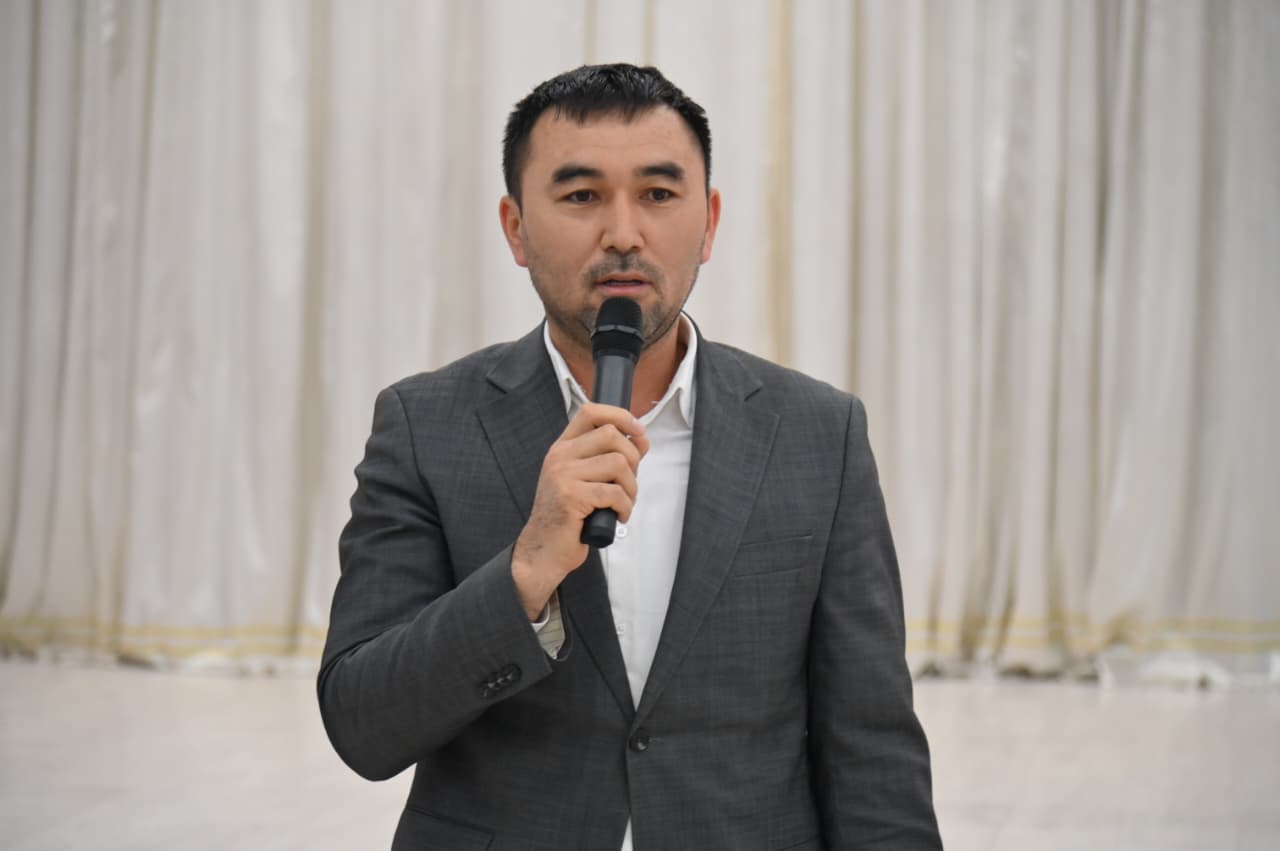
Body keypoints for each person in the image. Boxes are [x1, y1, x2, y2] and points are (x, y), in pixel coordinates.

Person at [318, 63, 941, 850]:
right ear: (515, 227)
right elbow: (363, 724)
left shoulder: (818, 433)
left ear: (709, 222)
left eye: (658, 193)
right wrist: (525, 573)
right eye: (581, 195)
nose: (622, 233)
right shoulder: (426, 425)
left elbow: (873, 750)